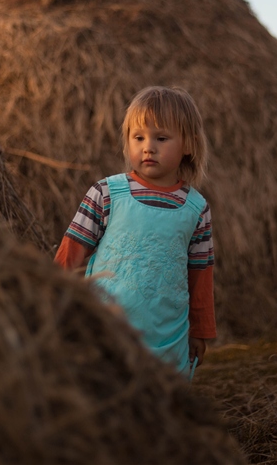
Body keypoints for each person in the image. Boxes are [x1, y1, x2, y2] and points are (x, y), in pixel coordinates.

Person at [54, 86, 215, 377]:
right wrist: (49, 300)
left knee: (160, 405)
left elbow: (200, 273)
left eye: (161, 138)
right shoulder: (106, 193)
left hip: (167, 338)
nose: (148, 147)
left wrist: (200, 330)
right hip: (105, 328)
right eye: (138, 137)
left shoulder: (197, 209)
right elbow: (72, 251)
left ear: (189, 145)